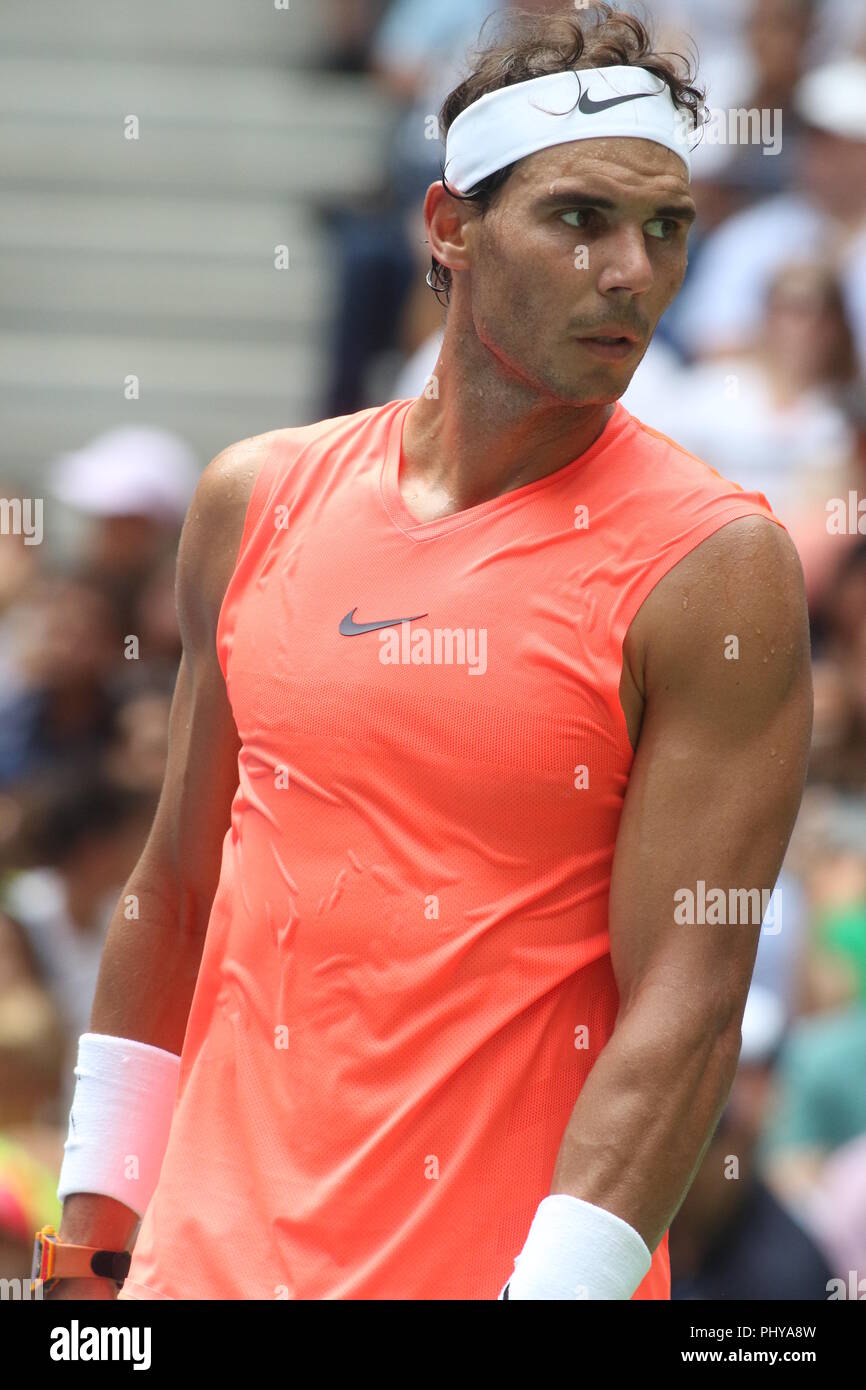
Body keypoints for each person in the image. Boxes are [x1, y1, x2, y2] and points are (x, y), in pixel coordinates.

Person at [45, 6, 812, 1302]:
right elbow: (172, 889)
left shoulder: (714, 566)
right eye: (579, 220)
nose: (632, 267)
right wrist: (88, 1254)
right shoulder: (255, 496)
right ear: (450, 230)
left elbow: (684, 1008)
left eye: (667, 227)